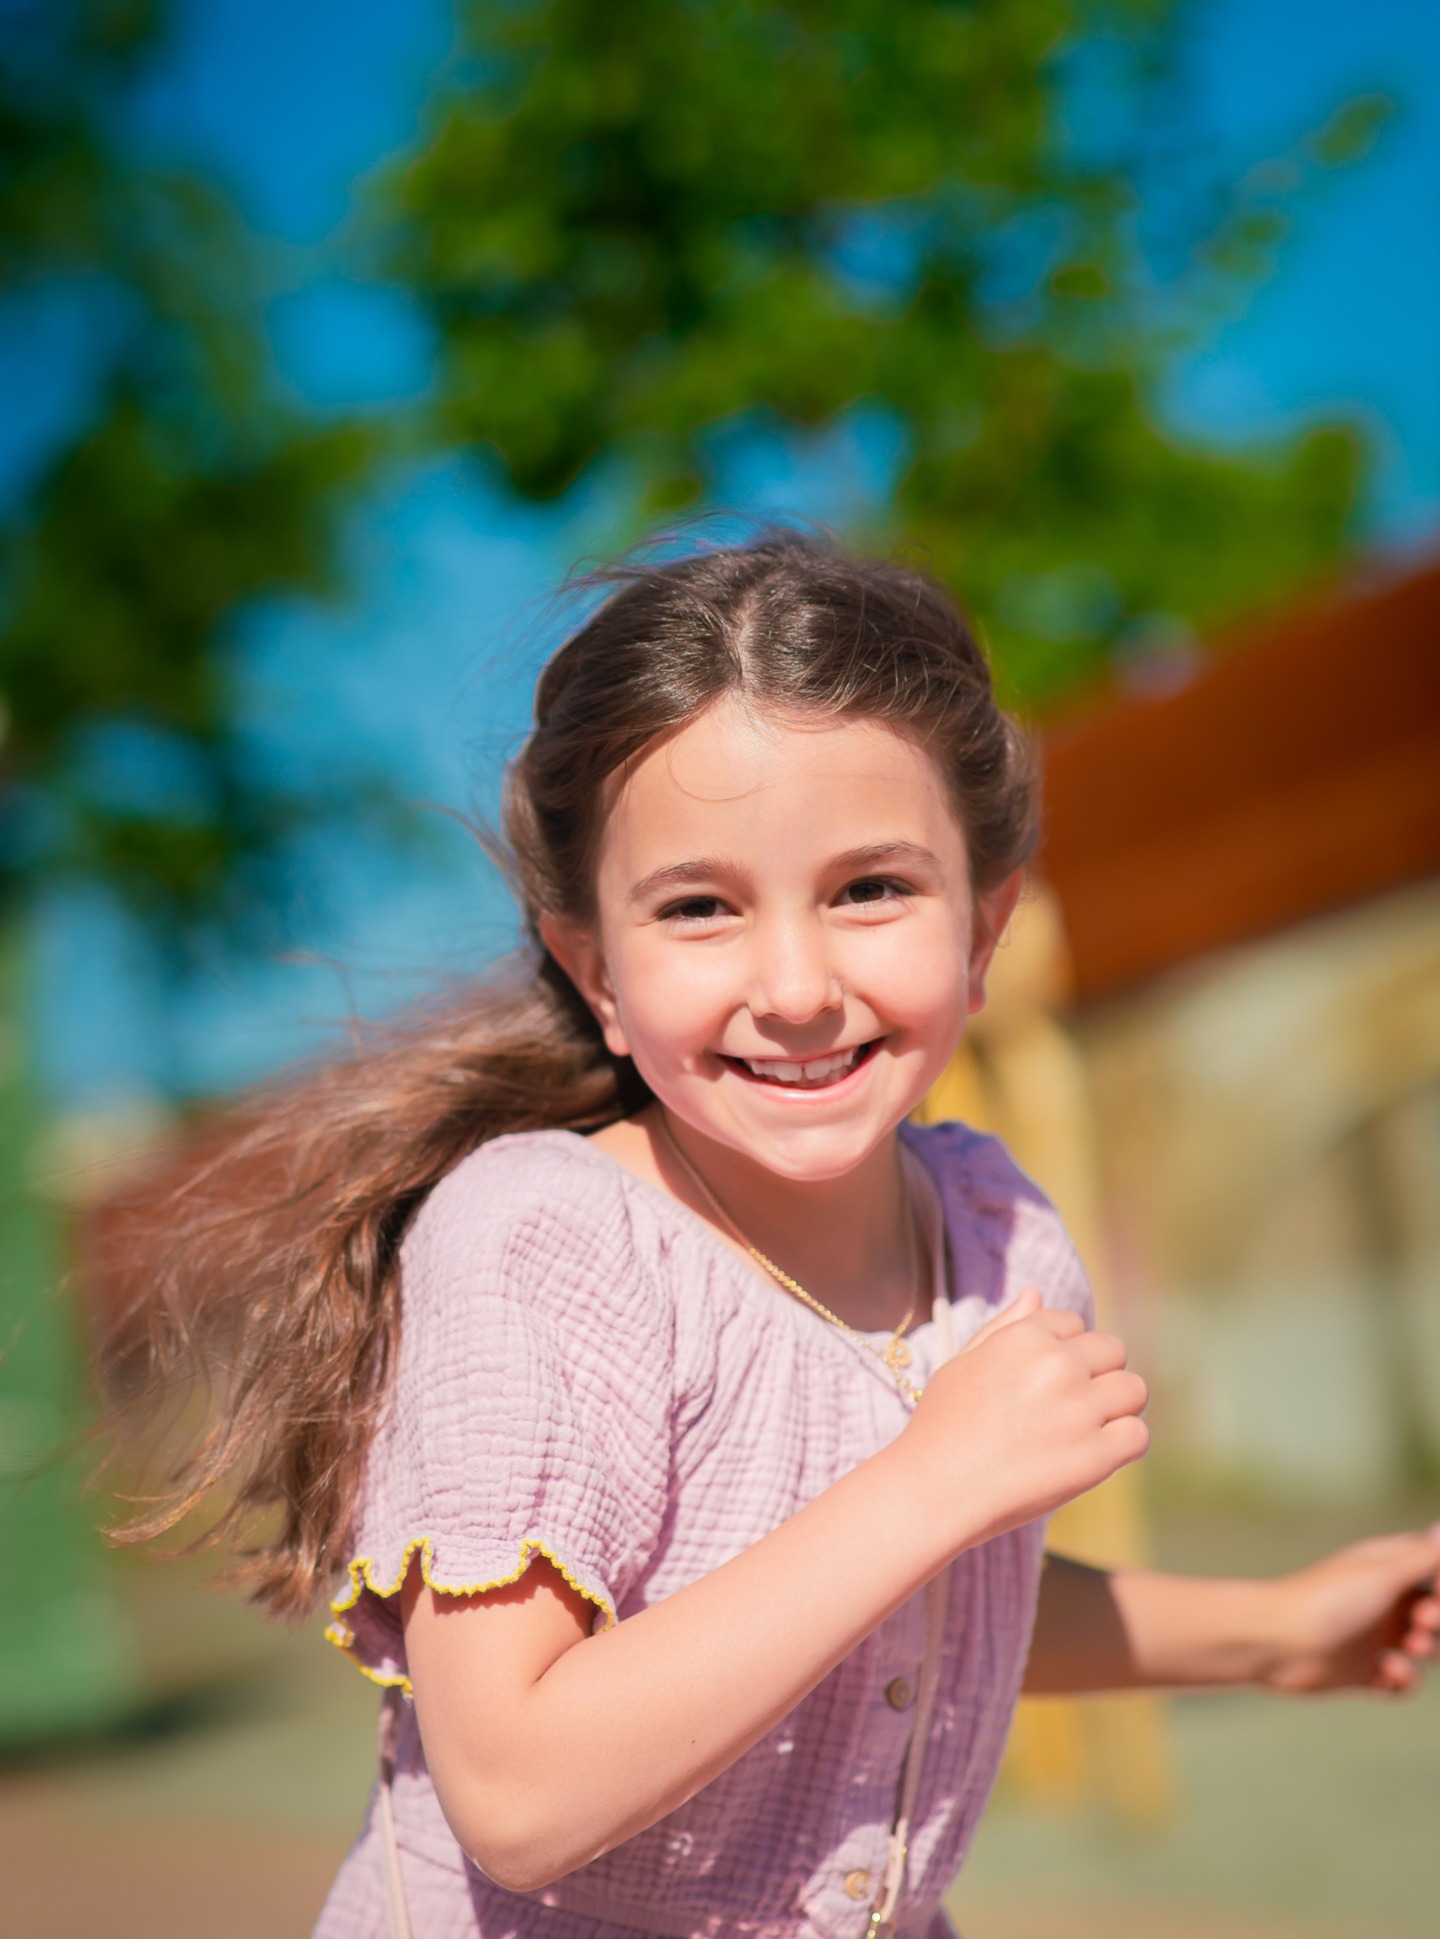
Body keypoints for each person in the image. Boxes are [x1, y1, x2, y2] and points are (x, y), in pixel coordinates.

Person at [124, 535, 1439, 1939]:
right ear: (596, 972)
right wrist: (932, 1480)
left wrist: (1280, 1627)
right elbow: (518, 1795)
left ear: (985, 928)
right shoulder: (544, 1244)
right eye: (700, 908)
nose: (799, 987)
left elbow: (943, 1615)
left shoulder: (997, 1237)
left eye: (873, 889)